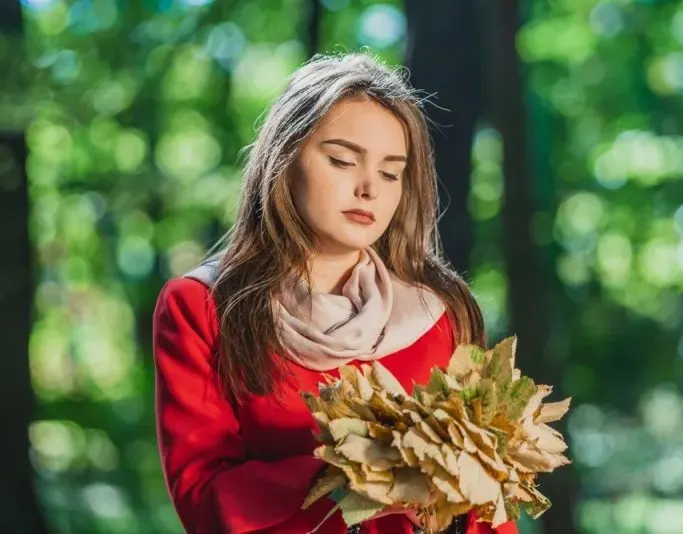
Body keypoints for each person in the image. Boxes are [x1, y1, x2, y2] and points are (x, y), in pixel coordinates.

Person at [152, 52, 519, 534]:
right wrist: (353, 473)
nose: (369, 188)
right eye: (343, 160)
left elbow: (486, 504)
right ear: (284, 159)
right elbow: (204, 499)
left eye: (391, 172)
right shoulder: (203, 306)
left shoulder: (438, 312)